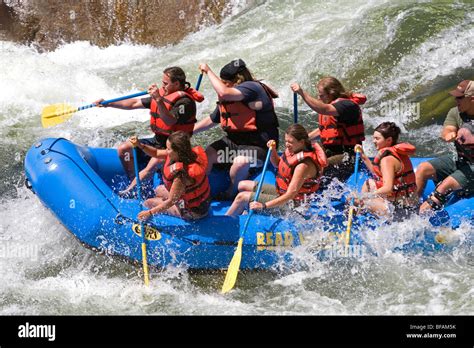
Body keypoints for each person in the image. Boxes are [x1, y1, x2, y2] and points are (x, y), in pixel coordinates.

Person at [94, 67, 204, 194]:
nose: (162, 86)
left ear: (176, 84)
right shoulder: (164, 94)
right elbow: (133, 103)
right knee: (124, 149)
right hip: (157, 140)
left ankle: (130, 191)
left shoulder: (185, 102)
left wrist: (158, 100)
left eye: (165, 83)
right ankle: (134, 181)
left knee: (153, 163)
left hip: (174, 147)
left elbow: (169, 120)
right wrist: (108, 104)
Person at [193, 59, 280, 199]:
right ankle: (201, 193)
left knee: (240, 162)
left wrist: (208, 71)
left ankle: (231, 193)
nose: (222, 85)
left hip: (258, 146)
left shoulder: (252, 88)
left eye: (225, 82)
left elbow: (224, 93)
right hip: (234, 144)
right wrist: (189, 131)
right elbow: (213, 120)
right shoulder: (230, 97)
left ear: (237, 80)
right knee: (207, 154)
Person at [225, 124, 327, 216]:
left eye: (290, 142)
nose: (287, 144)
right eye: (286, 141)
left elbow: (290, 195)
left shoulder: (303, 166)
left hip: (293, 205)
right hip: (282, 192)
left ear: (301, 142)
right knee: (242, 184)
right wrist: (273, 150)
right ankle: (242, 211)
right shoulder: (293, 150)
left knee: (241, 197)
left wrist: (263, 205)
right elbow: (277, 164)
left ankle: (225, 224)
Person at [290, 77, 366, 188]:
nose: (319, 98)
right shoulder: (333, 104)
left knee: (320, 167)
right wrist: (302, 140)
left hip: (348, 156)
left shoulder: (347, 106)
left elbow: (324, 109)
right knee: (302, 157)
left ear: (331, 93)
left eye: (321, 95)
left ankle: (308, 190)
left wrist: (302, 93)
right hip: (330, 151)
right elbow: (323, 130)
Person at [416, 80, 474, 213]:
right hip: (460, 160)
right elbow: (447, 130)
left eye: (460, 97)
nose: (456, 100)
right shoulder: (455, 112)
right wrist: (449, 134)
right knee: (423, 168)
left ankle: (420, 218)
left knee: (443, 187)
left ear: (471, 99)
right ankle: (411, 207)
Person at [130, 131, 210, 220]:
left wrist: (149, 212)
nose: (166, 151)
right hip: (199, 201)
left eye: (168, 148)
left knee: (149, 203)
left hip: (193, 211)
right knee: (159, 190)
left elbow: (171, 201)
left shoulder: (181, 176)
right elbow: (156, 153)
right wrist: (140, 145)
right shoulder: (188, 154)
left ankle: (146, 220)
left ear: (177, 151)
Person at [353, 122, 418, 218]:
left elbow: (388, 189)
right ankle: (358, 215)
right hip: (409, 206)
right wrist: (363, 156)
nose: (374, 141)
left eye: (377, 138)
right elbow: (377, 174)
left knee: (355, 200)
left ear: (389, 140)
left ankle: (351, 223)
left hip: (399, 211)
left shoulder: (387, 160)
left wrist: (366, 197)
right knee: (369, 183)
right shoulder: (396, 153)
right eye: (374, 138)